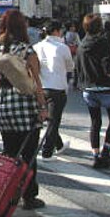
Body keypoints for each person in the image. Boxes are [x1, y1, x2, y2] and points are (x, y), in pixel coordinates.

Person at [0, 9, 48, 211]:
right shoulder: (26, 50)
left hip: (4, 104)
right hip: (24, 105)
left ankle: (6, 193)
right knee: (29, 154)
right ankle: (29, 195)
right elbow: (36, 82)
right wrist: (43, 107)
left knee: (10, 152)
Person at [75, 14, 110, 169]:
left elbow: (77, 66)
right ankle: (106, 152)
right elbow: (107, 67)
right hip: (104, 87)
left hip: (88, 88)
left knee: (95, 121)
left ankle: (96, 155)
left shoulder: (82, 44)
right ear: (99, 27)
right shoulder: (103, 42)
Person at [33, 20, 74, 159]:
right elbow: (70, 66)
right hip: (57, 87)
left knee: (49, 120)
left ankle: (59, 145)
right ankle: (47, 152)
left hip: (40, 87)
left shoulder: (37, 46)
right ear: (56, 31)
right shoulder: (62, 47)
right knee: (53, 121)